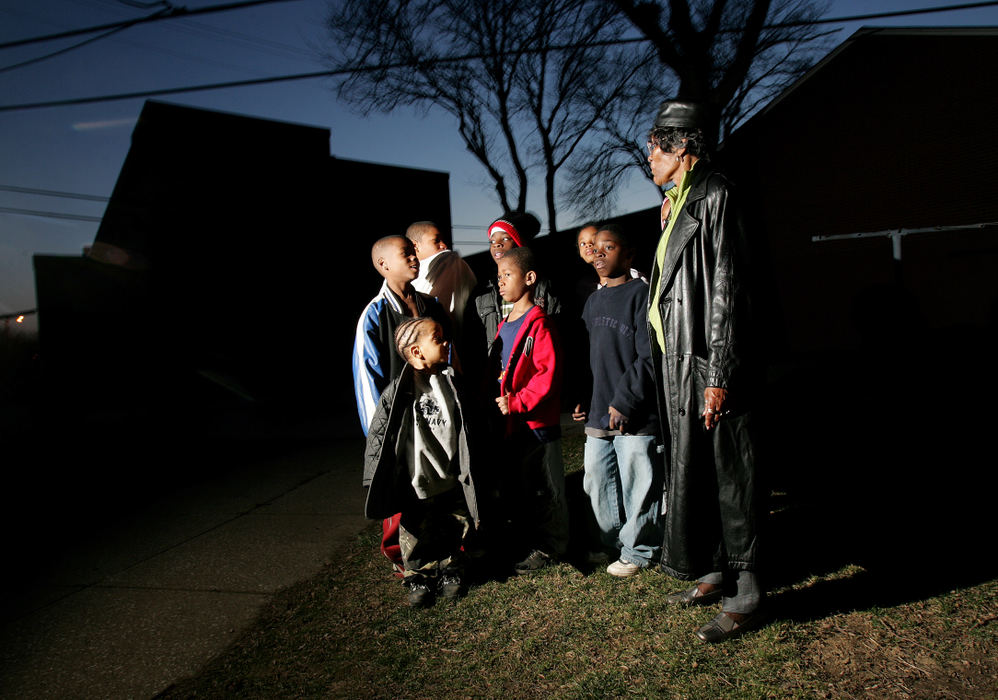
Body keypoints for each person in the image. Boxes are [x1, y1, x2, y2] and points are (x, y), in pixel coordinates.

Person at [645, 99, 765, 642]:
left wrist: (719, 374)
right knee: (694, 473)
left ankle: (748, 591)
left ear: (682, 147)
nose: (649, 157)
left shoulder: (716, 193)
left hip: (705, 361)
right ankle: (715, 571)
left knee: (730, 477)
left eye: (655, 146)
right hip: (678, 363)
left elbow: (728, 290)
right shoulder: (676, 201)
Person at [363, 317, 479, 607]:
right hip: (417, 477)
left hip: (451, 474)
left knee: (455, 524)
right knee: (414, 530)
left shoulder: (454, 382)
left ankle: (451, 568)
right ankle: (417, 573)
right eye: (437, 338)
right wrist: (373, 476)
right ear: (417, 352)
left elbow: (471, 423)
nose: (445, 342)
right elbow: (378, 434)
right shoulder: (398, 391)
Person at [352, 235, 449, 571]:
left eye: (414, 251)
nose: (413, 257)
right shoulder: (375, 315)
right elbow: (368, 382)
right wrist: (380, 439)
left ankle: (447, 554)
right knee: (405, 494)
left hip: (437, 418)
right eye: (404, 254)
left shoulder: (430, 306)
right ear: (383, 265)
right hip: (399, 426)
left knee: (439, 484)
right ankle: (411, 563)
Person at [572, 224, 662, 577]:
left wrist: (626, 399)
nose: (599, 254)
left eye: (609, 248)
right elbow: (587, 358)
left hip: (636, 411)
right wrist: (581, 396)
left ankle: (640, 549)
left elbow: (650, 356)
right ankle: (614, 542)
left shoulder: (642, 295)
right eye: (595, 249)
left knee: (639, 480)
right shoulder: (593, 301)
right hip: (599, 409)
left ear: (628, 254)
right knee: (596, 479)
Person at [491, 246, 569, 574]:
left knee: (548, 490)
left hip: (537, 424)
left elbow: (546, 374)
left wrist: (517, 401)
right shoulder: (504, 322)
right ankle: (530, 541)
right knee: (525, 487)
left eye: (507, 275)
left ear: (529, 278)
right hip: (514, 427)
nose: (501, 282)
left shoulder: (538, 324)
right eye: (498, 276)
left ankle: (553, 547)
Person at [405, 220, 477, 348]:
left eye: (442, 240)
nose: (444, 246)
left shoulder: (449, 261)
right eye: (436, 241)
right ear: (415, 246)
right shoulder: (402, 279)